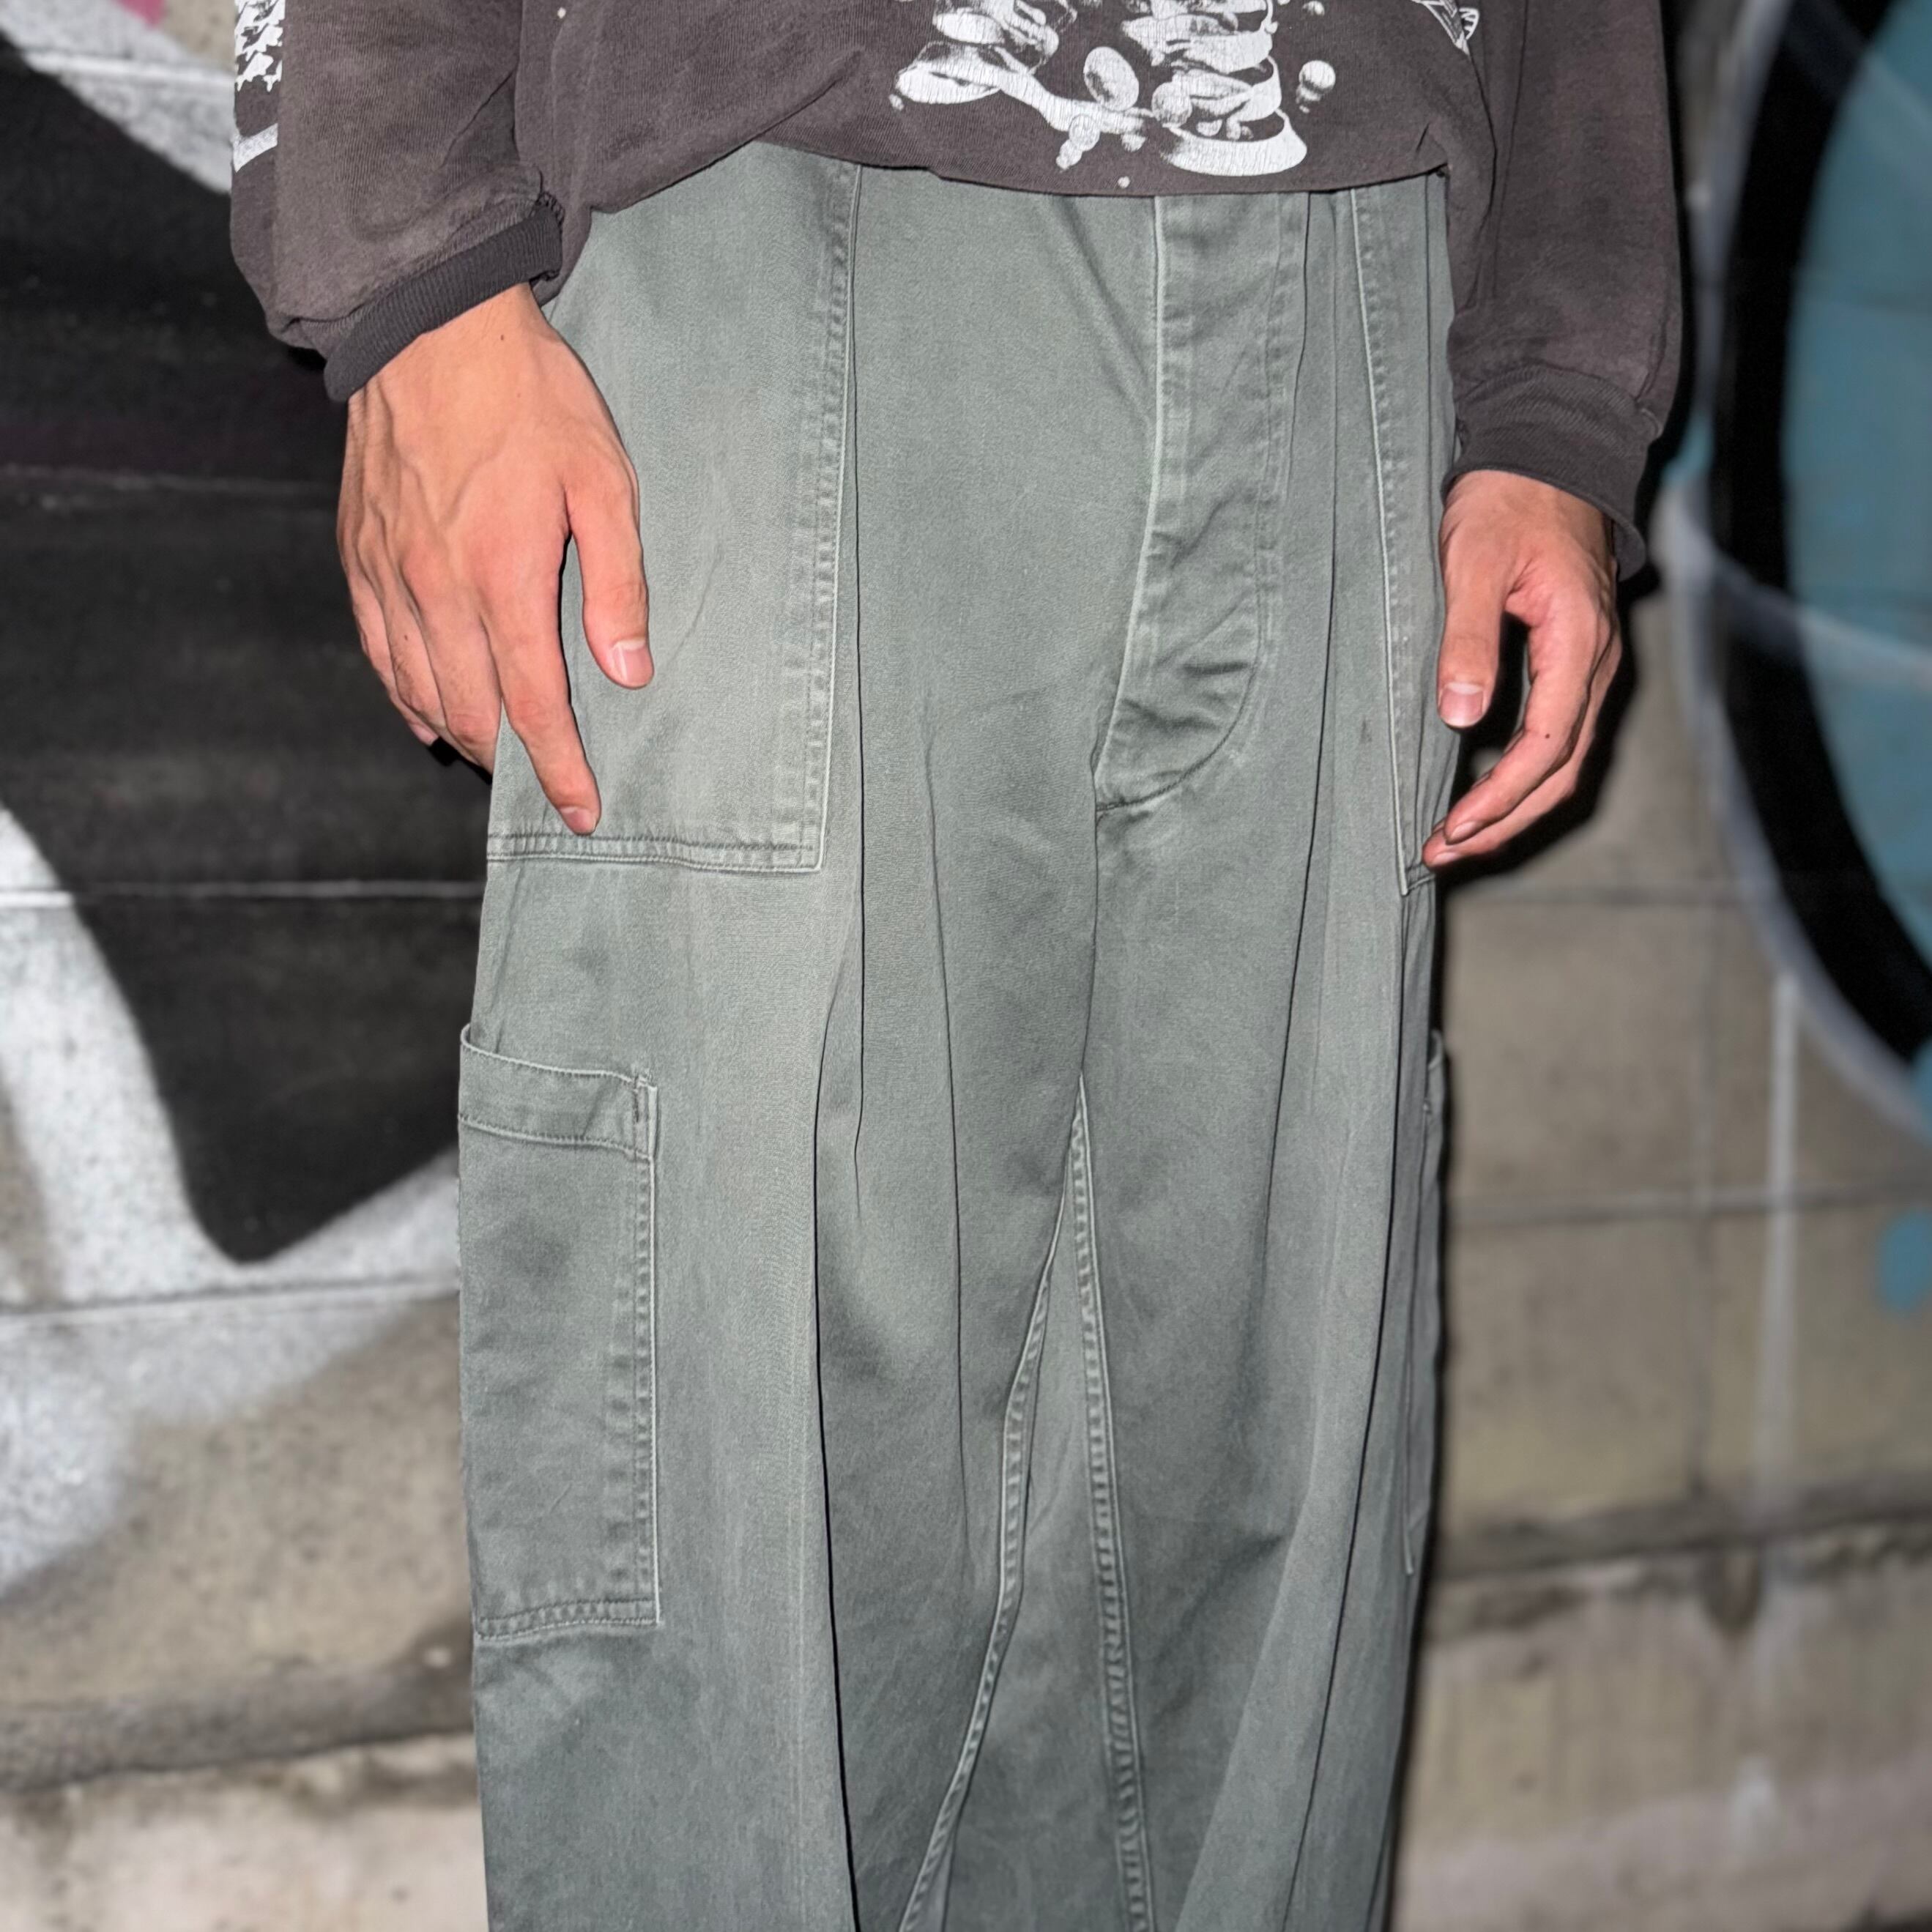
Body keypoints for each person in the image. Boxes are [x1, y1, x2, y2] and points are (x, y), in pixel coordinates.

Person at [231, 3, 1679, 1925]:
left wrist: (1561, 389)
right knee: (742, 1502)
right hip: (765, 177)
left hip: (1362, 242)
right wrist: (410, 268)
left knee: (1253, 1533)